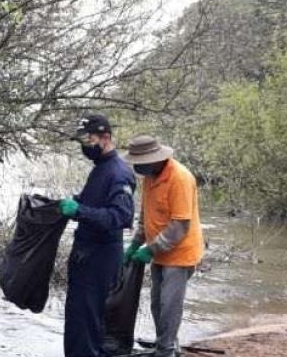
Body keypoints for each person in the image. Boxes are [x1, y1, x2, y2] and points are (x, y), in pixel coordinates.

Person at [59, 114, 136, 357]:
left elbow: (120, 217)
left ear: (105, 138)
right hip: (86, 255)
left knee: (88, 320)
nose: (85, 146)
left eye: (88, 139)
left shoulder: (119, 173)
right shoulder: (100, 169)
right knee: (77, 318)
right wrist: (77, 203)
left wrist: (80, 211)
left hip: (100, 258)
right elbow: (96, 204)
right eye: (82, 141)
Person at [122, 135, 204, 357]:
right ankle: (166, 343)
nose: (137, 167)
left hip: (180, 252)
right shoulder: (150, 177)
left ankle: (166, 350)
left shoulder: (180, 178)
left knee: (169, 304)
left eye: (141, 162)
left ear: (155, 159)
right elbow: (145, 216)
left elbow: (180, 225)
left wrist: (150, 249)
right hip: (160, 251)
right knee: (157, 303)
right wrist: (135, 244)